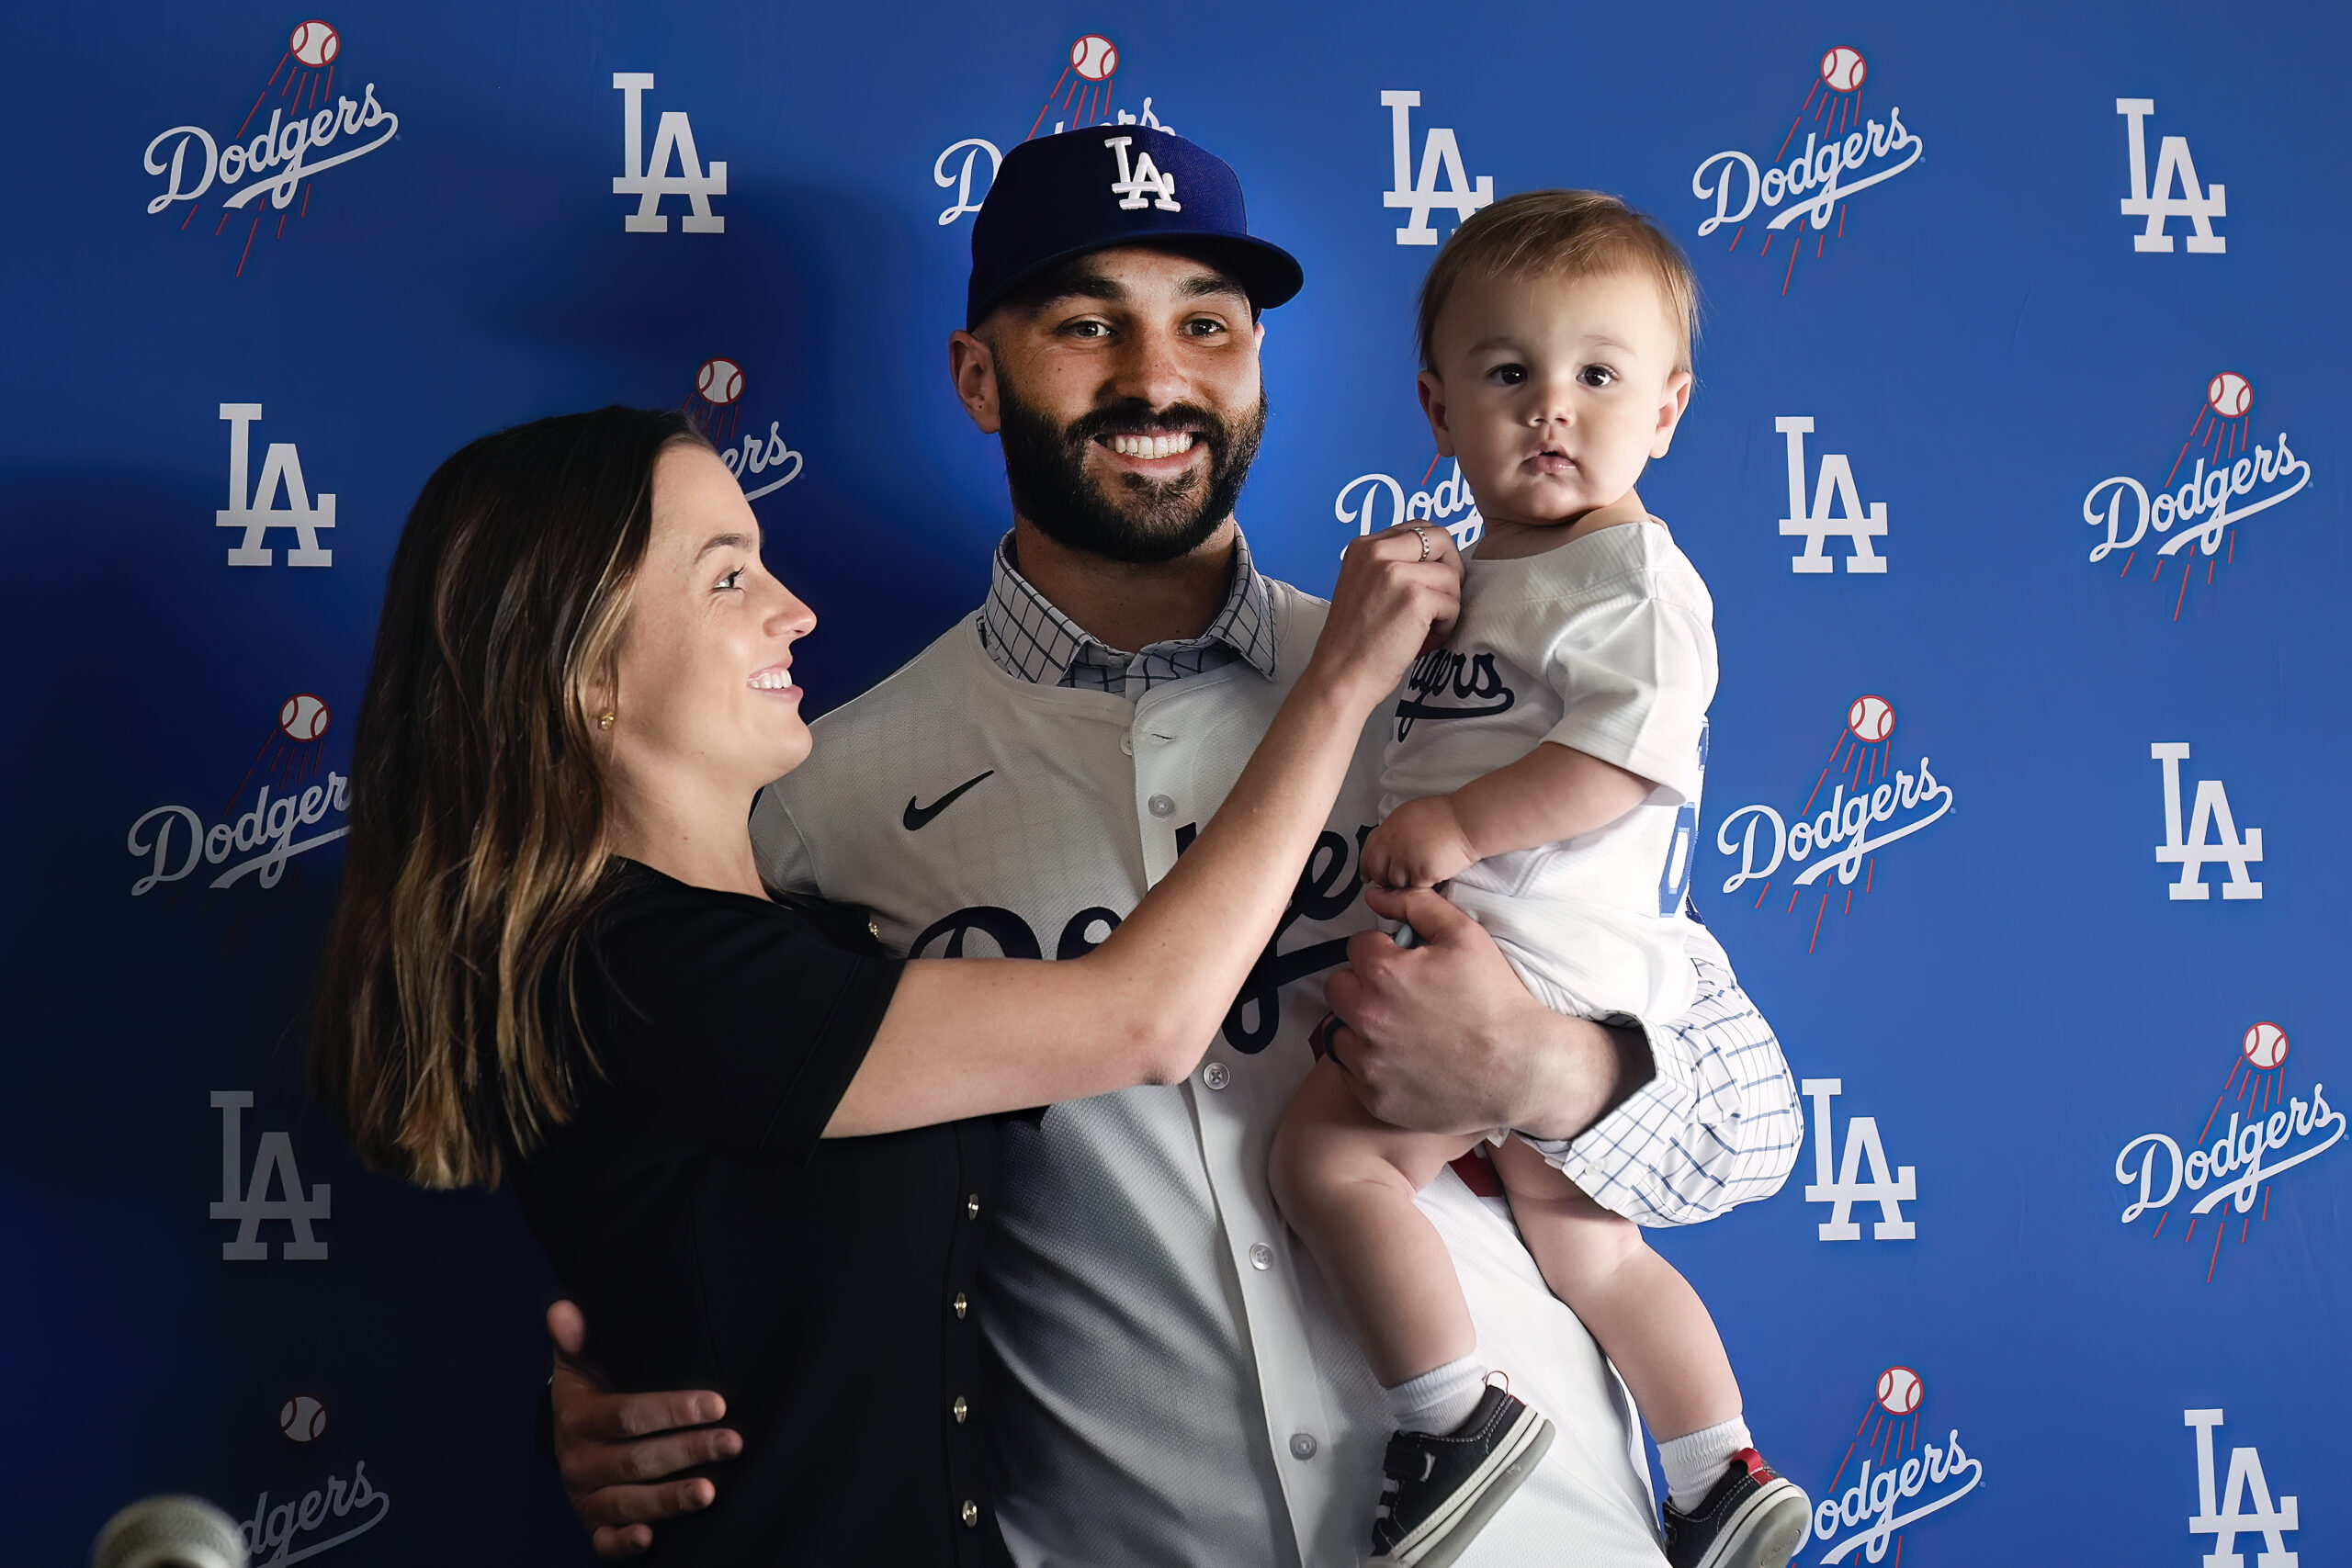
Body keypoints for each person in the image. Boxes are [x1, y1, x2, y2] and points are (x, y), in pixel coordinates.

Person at [548, 127, 1802, 1568]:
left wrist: (1548, 1067)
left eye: (1207, 325)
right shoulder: (813, 790)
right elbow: (748, 1168)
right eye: (1088, 324)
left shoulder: (1448, 677)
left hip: (1540, 1535)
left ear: (1258, 367)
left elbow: (1748, 1125)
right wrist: (610, 1383)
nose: (1156, 378)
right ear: (977, 376)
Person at [306, 402, 1460, 1564]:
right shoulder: (633, 969)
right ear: (583, 666)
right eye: (726, 579)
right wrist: (1337, 688)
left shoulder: (808, 941)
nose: (793, 611)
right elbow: (1145, 1021)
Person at [1267, 192, 1810, 1568]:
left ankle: (1449, 1410)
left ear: (1670, 407)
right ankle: (1712, 1467)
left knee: (1328, 1160)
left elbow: (1625, 759)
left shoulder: (1628, 574)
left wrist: (1453, 823)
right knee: (1592, 1251)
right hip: (1516, 939)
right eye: (1509, 374)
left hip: (1543, 951)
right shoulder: (1474, 576)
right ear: (1438, 408)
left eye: (1598, 374)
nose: (1552, 407)